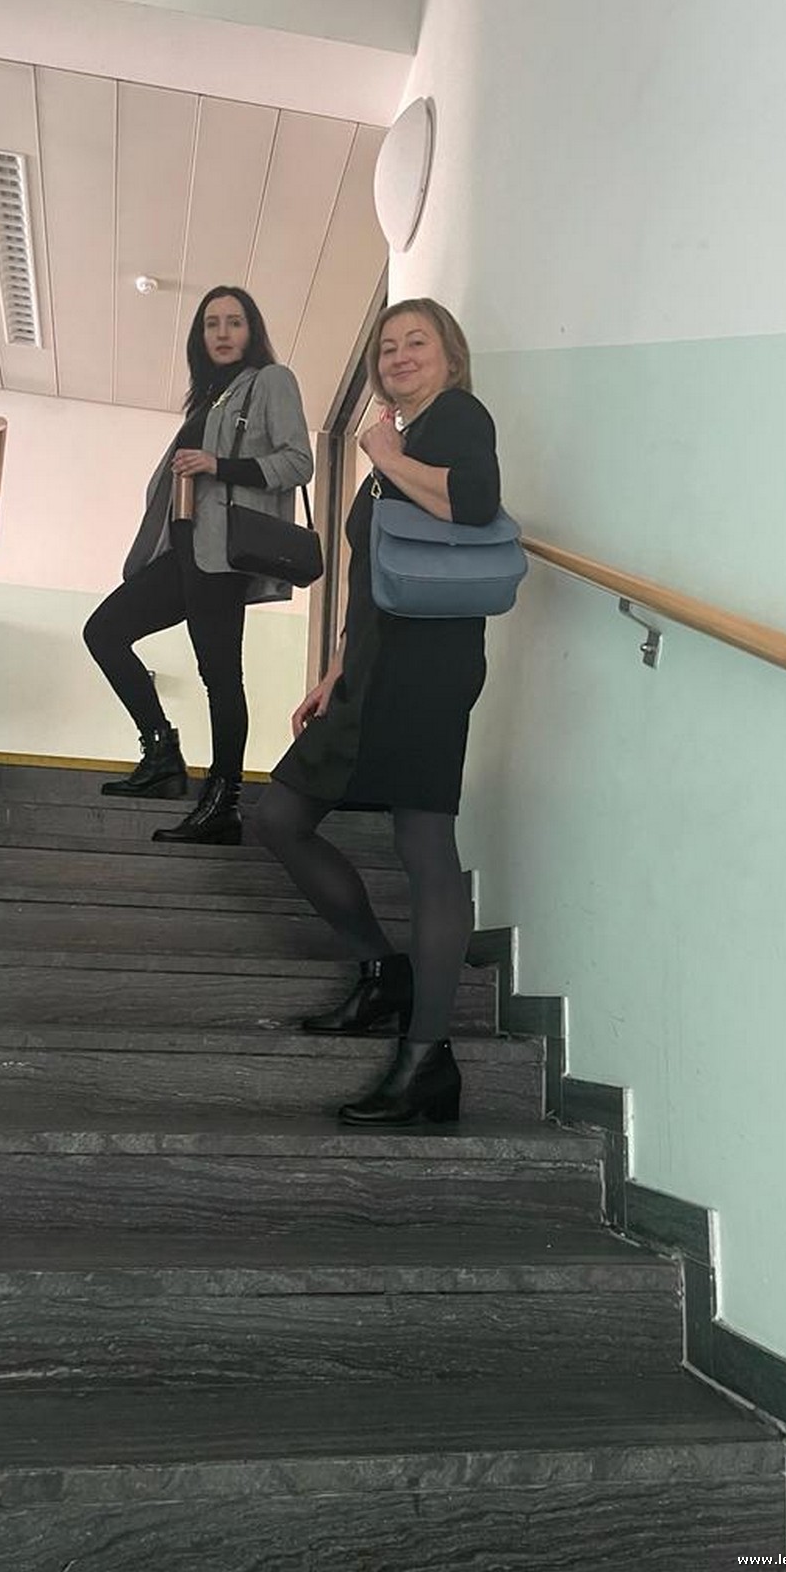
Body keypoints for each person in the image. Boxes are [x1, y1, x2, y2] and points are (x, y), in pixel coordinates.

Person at [253, 298, 503, 1128]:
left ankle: (427, 1057)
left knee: (424, 845)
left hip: (429, 669)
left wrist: (386, 453)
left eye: (416, 342)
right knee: (281, 816)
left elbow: (474, 502)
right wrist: (336, 667)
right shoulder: (398, 439)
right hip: (373, 667)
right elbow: (380, 575)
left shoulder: (456, 418)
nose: (398, 355)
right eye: (388, 346)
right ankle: (382, 971)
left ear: (449, 356)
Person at [84, 286, 313, 844]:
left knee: (219, 675)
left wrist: (218, 464)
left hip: (222, 555)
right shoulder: (209, 397)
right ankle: (162, 753)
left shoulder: (271, 380)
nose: (223, 332)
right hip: (182, 551)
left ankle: (223, 801)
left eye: (235, 321)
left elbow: (298, 462)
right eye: (212, 323)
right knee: (104, 632)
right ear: (199, 336)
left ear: (252, 331)